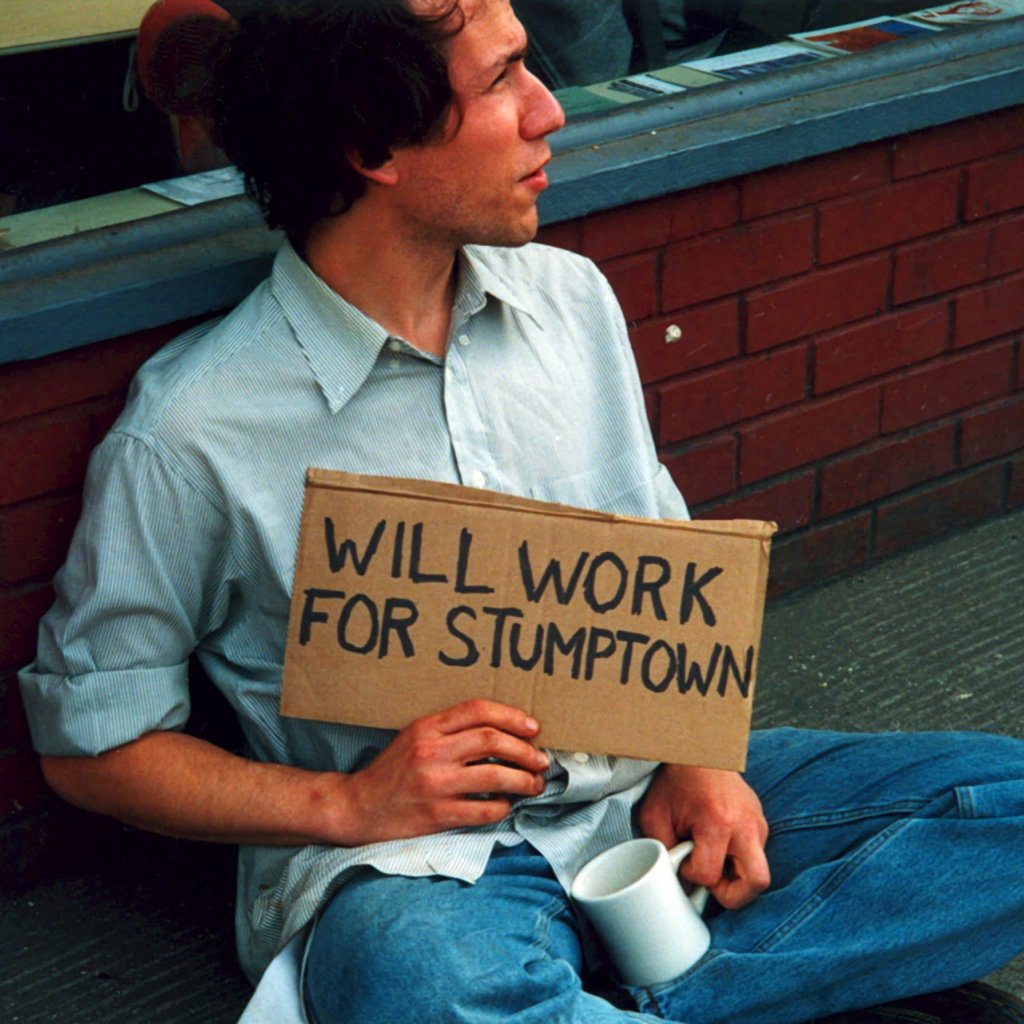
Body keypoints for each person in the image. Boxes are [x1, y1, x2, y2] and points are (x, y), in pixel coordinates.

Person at [17, 1, 1024, 1022]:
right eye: (501, 80)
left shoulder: (569, 302)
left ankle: (625, 997)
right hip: (423, 868)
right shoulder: (192, 425)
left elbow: (670, 589)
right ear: (373, 144)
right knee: (419, 986)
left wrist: (702, 756)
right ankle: (770, 985)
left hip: (640, 800)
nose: (550, 110)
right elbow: (92, 746)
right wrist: (346, 802)